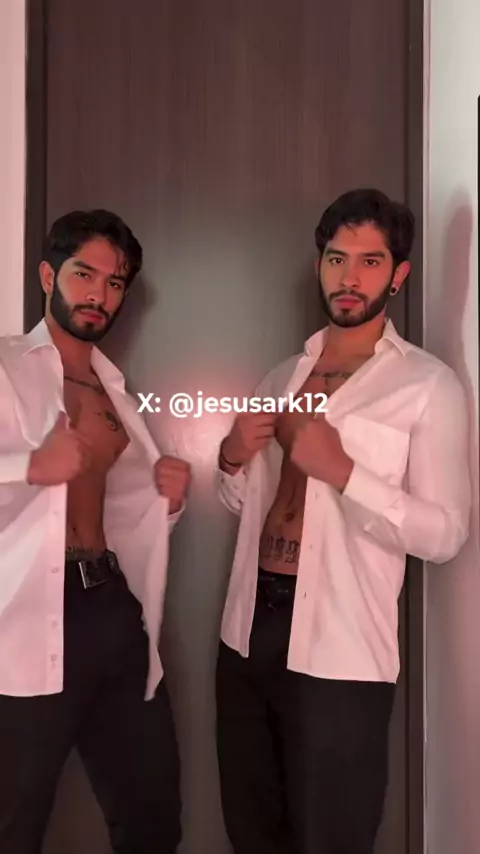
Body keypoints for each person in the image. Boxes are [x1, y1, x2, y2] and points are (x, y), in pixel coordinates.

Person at [215, 188, 471, 854]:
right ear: (319, 265)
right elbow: (242, 503)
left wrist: (345, 472)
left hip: (342, 647)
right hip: (247, 631)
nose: (349, 277)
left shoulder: (427, 386)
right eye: (336, 259)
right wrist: (231, 458)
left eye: (369, 261)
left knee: (333, 836)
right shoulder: (282, 376)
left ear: (399, 274)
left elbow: (446, 535)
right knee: (252, 829)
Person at [0, 209, 191, 854]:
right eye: (85, 274)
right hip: (26, 618)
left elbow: (117, 508)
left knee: (152, 814)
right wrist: (30, 467)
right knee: (13, 820)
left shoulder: (116, 393)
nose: (99, 294)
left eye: (115, 283)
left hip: (111, 608)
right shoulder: (5, 365)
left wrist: (166, 501)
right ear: (48, 275)